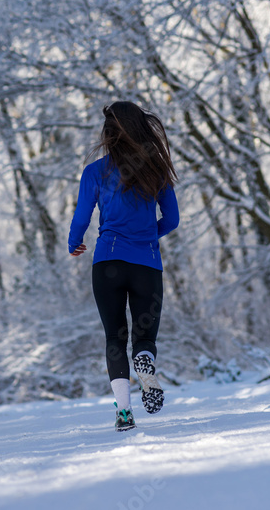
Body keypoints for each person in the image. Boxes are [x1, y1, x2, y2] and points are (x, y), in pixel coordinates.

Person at [68, 101, 179, 431]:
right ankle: (145, 359)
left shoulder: (95, 172)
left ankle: (125, 413)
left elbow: (81, 218)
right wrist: (146, 235)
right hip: (146, 264)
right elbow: (171, 220)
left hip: (107, 263)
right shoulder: (156, 170)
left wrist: (75, 243)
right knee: (144, 338)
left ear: (108, 134)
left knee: (114, 338)